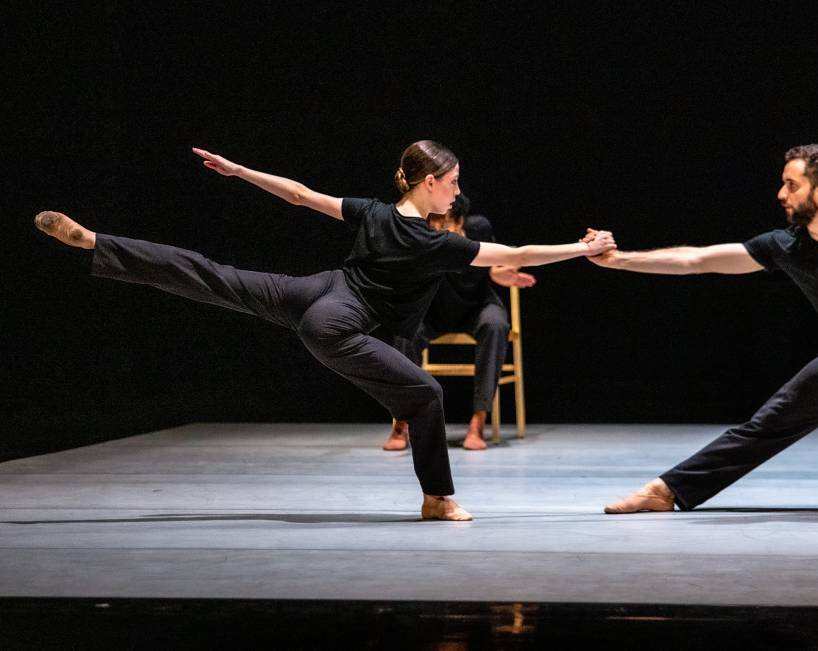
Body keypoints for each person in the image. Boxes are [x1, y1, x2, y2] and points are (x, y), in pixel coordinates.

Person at [34, 140, 615, 522]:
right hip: (337, 320)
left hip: (316, 292)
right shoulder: (439, 241)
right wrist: (584, 249)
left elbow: (299, 194)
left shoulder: (374, 212)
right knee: (428, 394)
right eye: (454, 181)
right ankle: (438, 499)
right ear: (429, 182)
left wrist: (238, 171)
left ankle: (98, 243)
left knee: (216, 277)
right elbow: (519, 251)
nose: (459, 192)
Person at [594, 144, 818, 520]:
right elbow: (696, 260)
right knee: (766, 425)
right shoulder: (786, 247)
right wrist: (619, 261)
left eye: (791, 184)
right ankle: (665, 490)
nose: (781, 194)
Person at [381, 193, 536, 452]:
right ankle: (402, 421)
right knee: (405, 330)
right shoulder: (421, 232)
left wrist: (502, 274)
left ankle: (478, 422)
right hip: (434, 308)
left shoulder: (478, 228)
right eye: (435, 222)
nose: (440, 228)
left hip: (476, 305)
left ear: (460, 220)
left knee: (495, 324)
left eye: (446, 222)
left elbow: (494, 266)